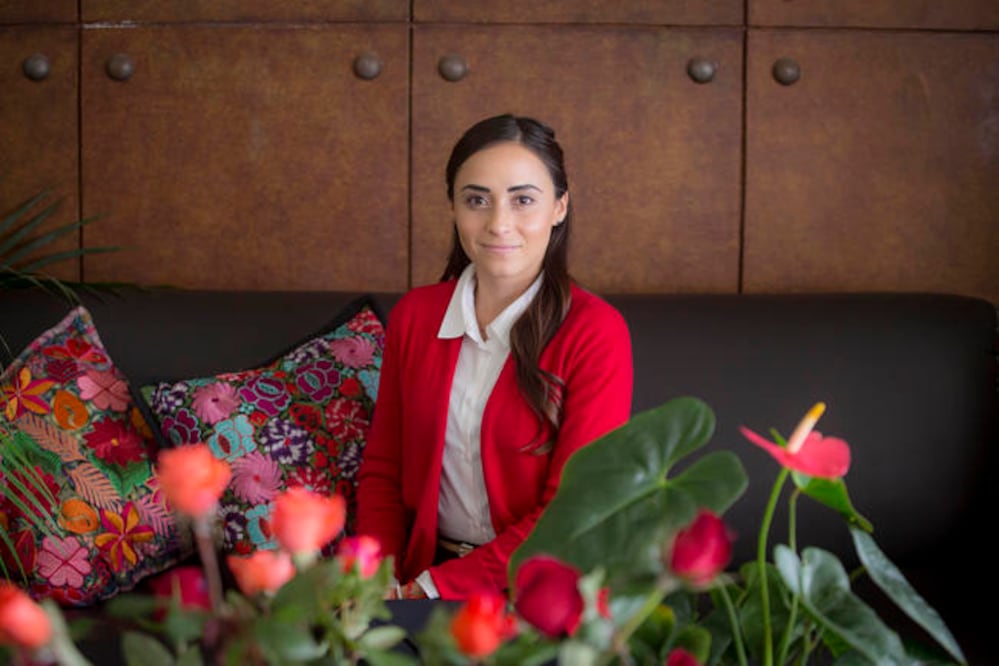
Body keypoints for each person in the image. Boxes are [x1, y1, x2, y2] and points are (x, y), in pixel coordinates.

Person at [355, 113, 633, 600]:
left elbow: (574, 512)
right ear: (454, 209)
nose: (498, 223)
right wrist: (375, 587)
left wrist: (427, 592)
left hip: (543, 587)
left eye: (523, 200)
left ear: (559, 207)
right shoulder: (415, 316)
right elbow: (384, 470)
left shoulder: (595, 332)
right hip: (421, 578)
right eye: (476, 200)